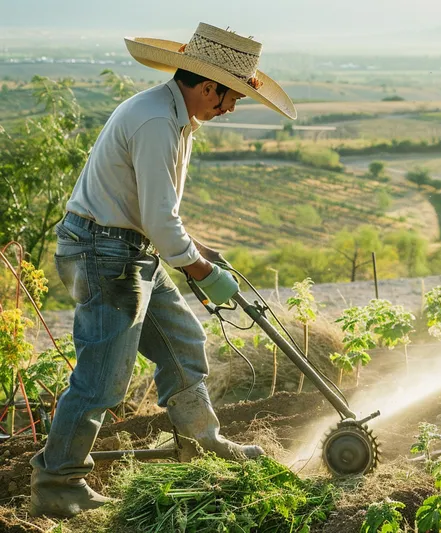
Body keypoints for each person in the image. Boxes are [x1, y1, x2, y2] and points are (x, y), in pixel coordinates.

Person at [29, 22, 297, 518]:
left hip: (129, 250)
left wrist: (201, 255)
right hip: (103, 253)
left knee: (183, 342)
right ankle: (58, 482)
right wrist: (197, 268)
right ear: (208, 85)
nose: (231, 108)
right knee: (103, 379)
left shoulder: (174, 117)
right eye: (231, 97)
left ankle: (202, 442)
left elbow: (157, 214)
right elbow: (158, 217)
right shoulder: (156, 121)